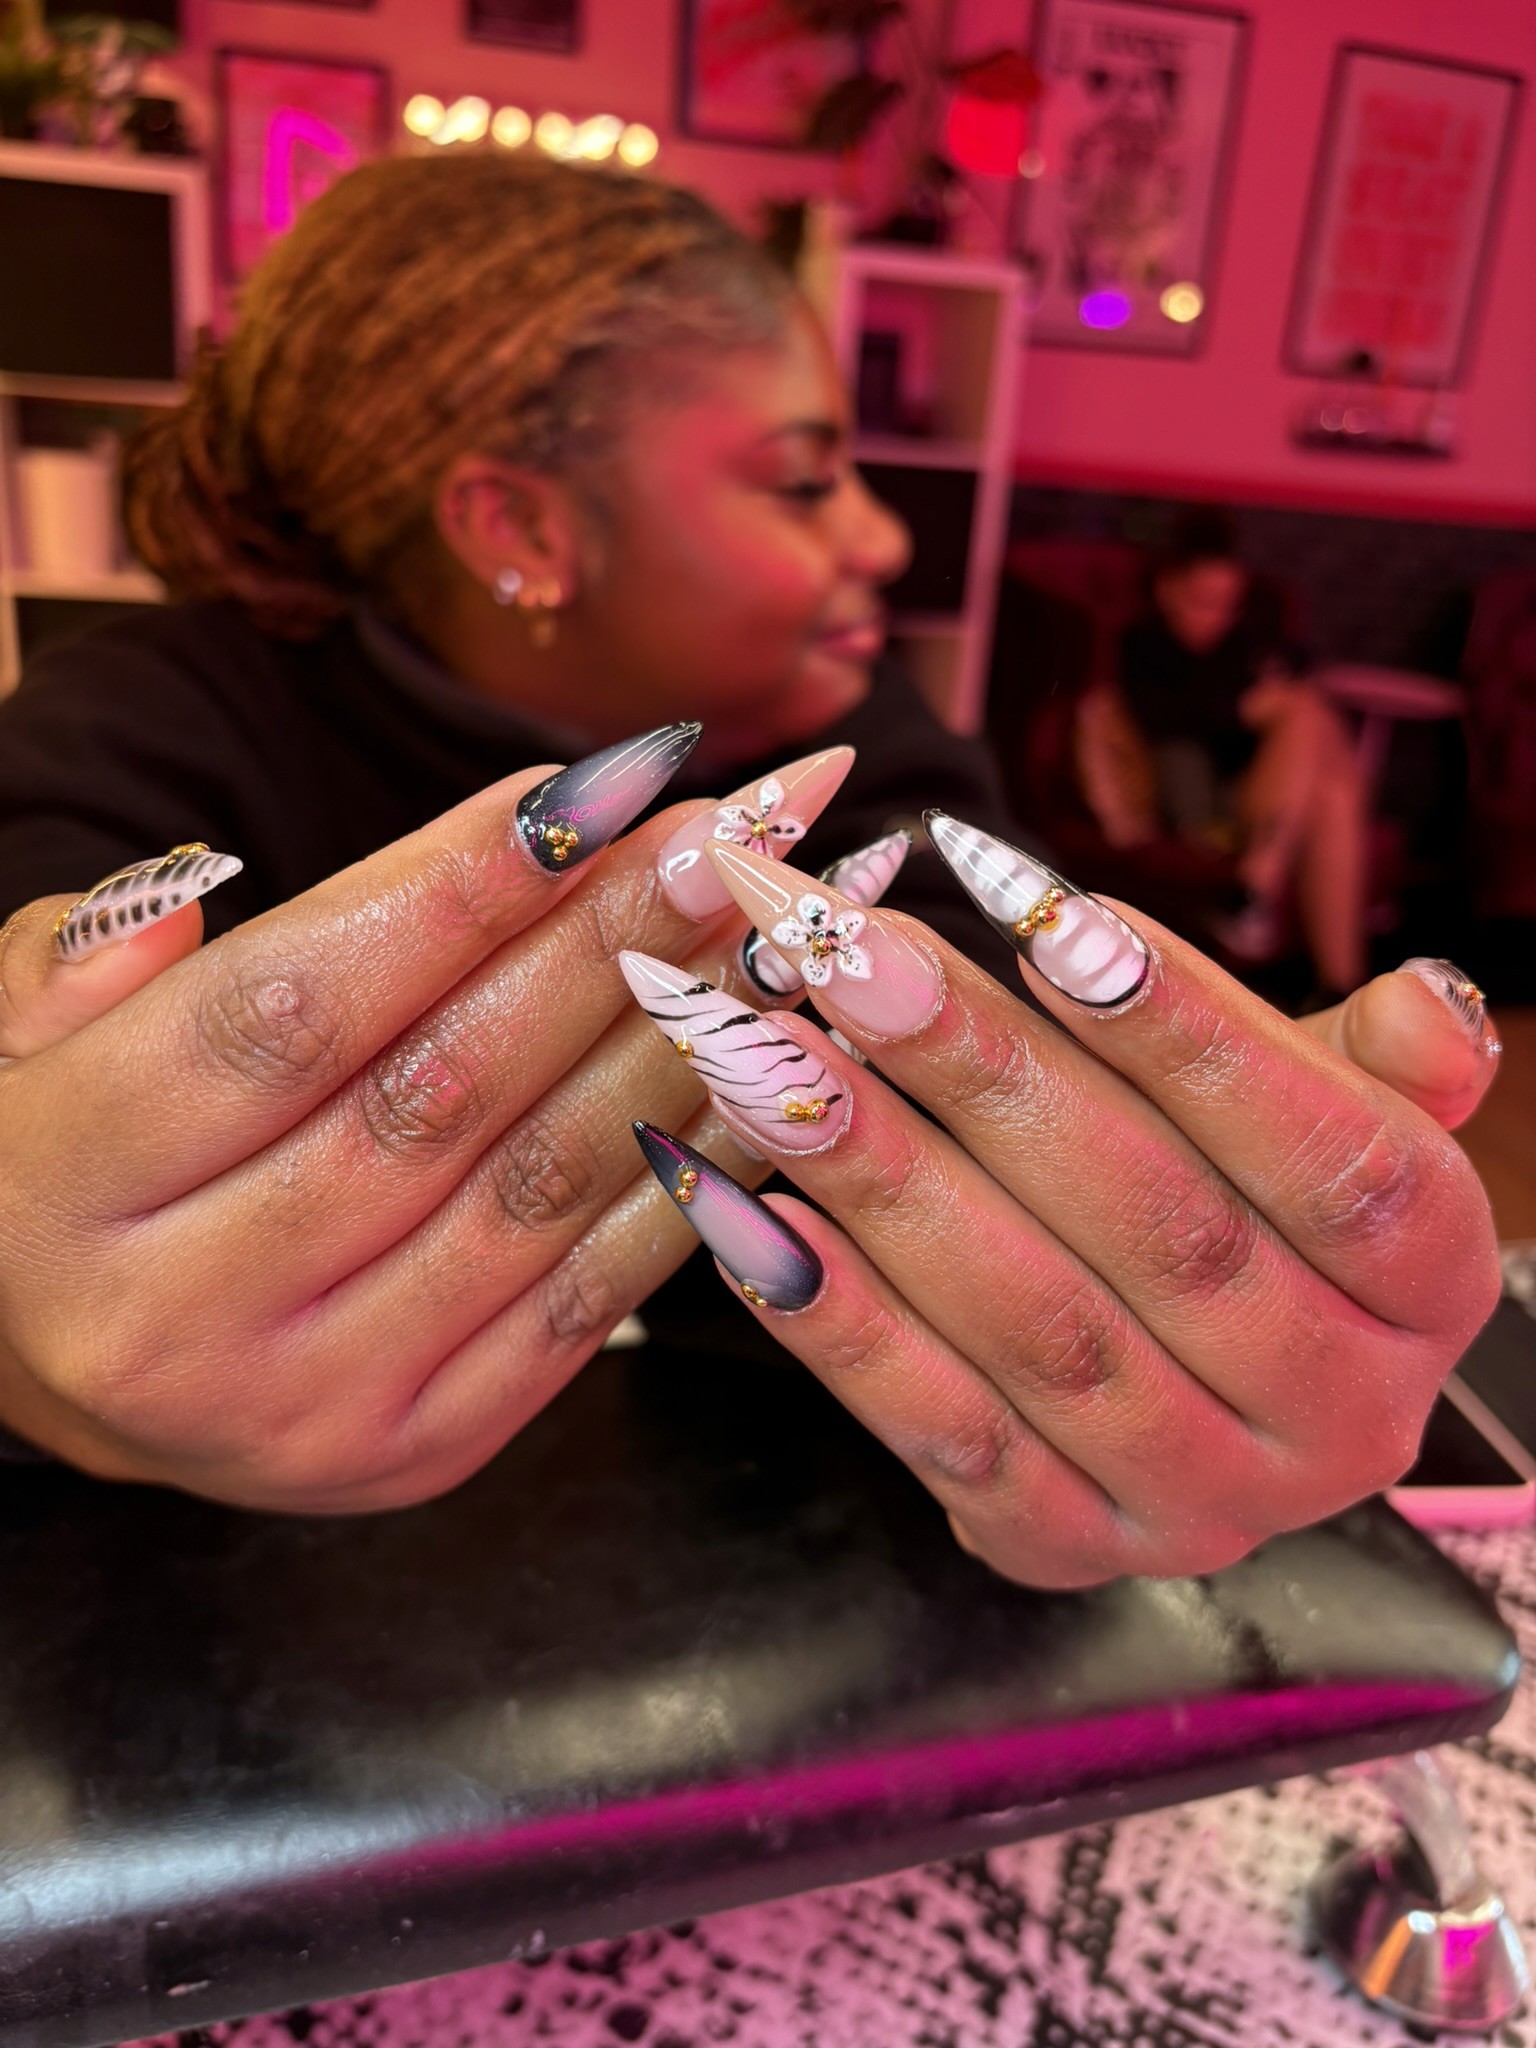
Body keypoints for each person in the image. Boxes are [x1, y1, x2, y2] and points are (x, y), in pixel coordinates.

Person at [0, 154, 1502, 1589]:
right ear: (520, 527)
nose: (882, 534)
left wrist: (1168, 1272)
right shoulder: (126, 733)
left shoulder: (851, 746)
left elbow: (987, 1102)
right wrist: (32, 1354)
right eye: (802, 482)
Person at [1119, 509, 1369, 998]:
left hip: (1267, 801)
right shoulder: (1144, 645)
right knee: (1304, 714)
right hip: (1198, 800)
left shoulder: (1244, 642)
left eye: (1227, 605)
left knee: (1333, 792)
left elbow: (1296, 667)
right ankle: (1267, 898)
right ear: (1168, 589)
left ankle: (1337, 983)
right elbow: (1164, 722)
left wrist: (1269, 699)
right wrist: (1245, 710)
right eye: (1203, 602)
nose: (1216, 618)